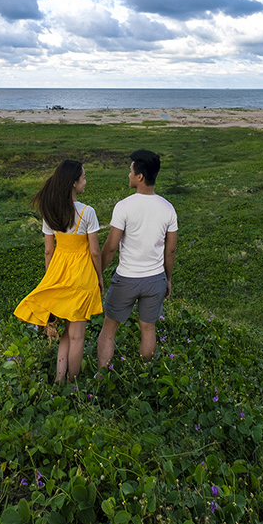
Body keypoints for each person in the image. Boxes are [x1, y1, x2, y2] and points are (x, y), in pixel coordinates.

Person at [13, 159, 103, 382]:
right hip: (82, 277)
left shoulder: (49, 210)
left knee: (66, 333)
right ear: (73, 183)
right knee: (77, 336)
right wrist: (99, 277)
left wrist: (50, 279)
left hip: (59, 276)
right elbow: (94, 252)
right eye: (83, 177)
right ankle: (73, 384)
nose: (85, 181)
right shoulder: (87, 212)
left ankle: (59, 379)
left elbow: (48, 251)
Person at [97, 149, 177, 368]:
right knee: (148, 329)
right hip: (155, 280)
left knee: (109, 329)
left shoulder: (123, 207)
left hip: (126, 279)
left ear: (140, 176)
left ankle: (102, 377)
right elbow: (169, 252)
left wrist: (98, 274)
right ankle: (145, 376)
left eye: (130, 170)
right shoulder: (168, 208)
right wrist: (167, 279)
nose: (128, 174)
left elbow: (111, 247)